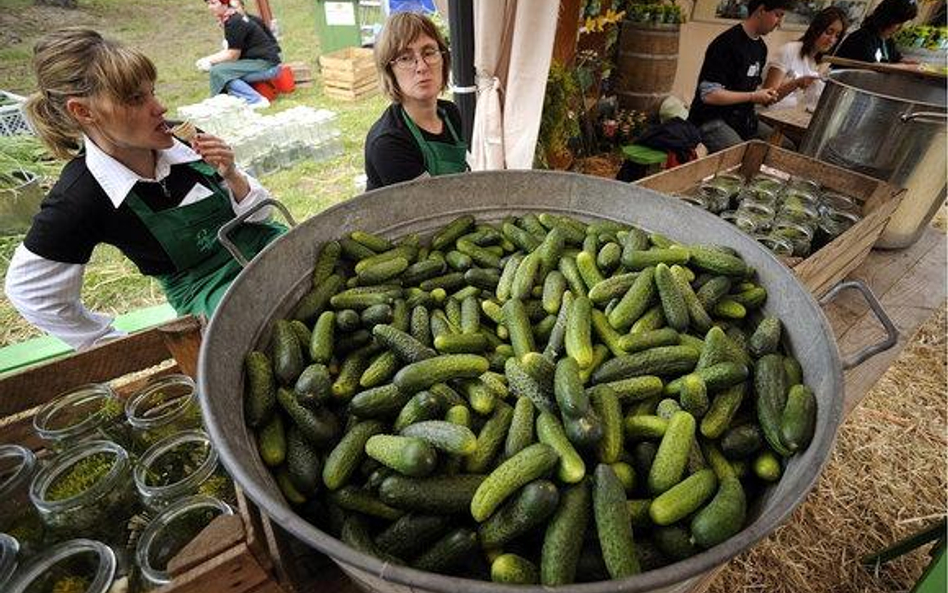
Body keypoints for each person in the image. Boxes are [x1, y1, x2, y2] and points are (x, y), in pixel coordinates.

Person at [5, 28, 284, 350]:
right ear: (83, 111)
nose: (160, 107)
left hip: (269, 249)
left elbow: (262, 215)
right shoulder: (82, 195)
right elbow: (30, 291)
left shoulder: (186, 141)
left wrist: (233, 175)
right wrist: (109, 343)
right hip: (211, 294)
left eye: (152, 91)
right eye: (137, 99)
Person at [364, 11, 467, 191]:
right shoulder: (389, 143)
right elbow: (426, 207)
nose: (421, 67)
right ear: (390, 71)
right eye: (405, 58)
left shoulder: (450, 113)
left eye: (429, 52)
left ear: (443, 59)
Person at [688, 0, 795, 153]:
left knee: (785, 148)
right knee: (743, 156)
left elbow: (750, 87)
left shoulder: (760, 48)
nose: (779, 23)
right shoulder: (726, 43)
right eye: (778, 15)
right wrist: (753, 96)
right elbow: (709, 95)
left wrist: (768, 93)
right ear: (761, 10)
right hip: (711, 119)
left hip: (742, 119)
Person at [196, 0, 282, 108]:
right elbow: (231, 51)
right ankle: (228, 101)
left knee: (218, 71)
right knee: (221, 72)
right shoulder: (231, 19)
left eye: (213, 3)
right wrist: (212, 60)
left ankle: (255, 100)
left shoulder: (234, 21)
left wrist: (209, 60)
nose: (210, 7)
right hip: (258, 62)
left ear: (224, 3)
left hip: (267, 64)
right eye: (208, 4)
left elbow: (233, 55)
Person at [763, 7, 849, 112]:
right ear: (816, 29)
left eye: (837, 36)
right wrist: (795, 83)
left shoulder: (816, 61)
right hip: (767, 116)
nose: (831, 40)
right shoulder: (790, 50)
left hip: (788, 116)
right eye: (828, 32)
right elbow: (766, 98)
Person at [834, 0, 919, 66]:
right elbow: (872, 66)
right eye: (899, 23)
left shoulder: (887, 41)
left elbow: (896, 58)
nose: (900, 28)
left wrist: (915, 64)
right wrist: (906, 67)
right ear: (889, 19)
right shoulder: (863, 38)